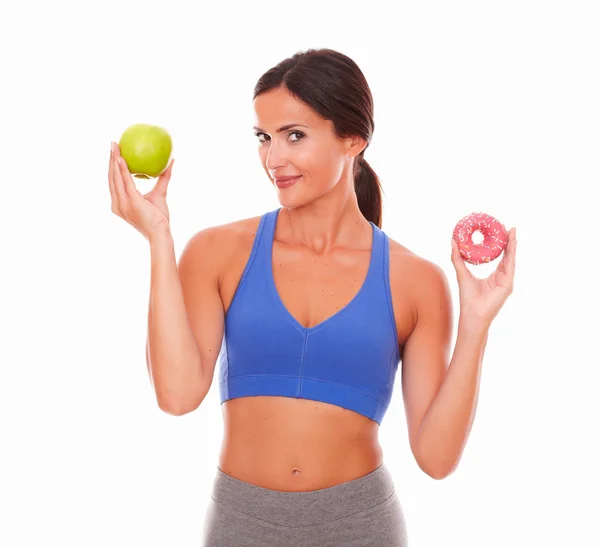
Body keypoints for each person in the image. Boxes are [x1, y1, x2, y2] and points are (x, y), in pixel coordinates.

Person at [108, 48, 517, 546]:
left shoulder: (416, 281)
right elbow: (176, 396)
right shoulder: (217, 252)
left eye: (294, 136)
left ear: (353, 140)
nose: (273, 158)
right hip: (242, 523)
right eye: (264, 137)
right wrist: (158, 240)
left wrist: (475, 326)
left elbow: (436, 459)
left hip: (361, 525)